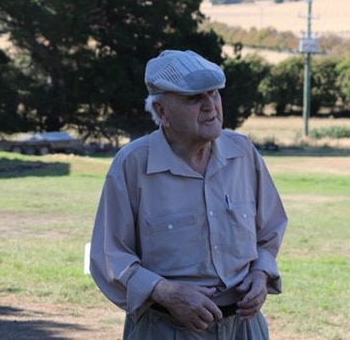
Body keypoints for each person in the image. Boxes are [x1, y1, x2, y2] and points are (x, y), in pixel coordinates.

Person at [90, 49, 288, 340]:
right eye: (194, 98)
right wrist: (166, 292)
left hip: (245, 328)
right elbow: (109, 256)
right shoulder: (133, 164)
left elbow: (269, 231)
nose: (211, 106)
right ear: (161, 111)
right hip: (167, 329)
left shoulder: (243, 153)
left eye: (214, 94)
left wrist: (261, 274)